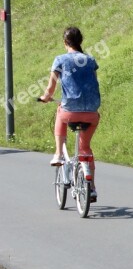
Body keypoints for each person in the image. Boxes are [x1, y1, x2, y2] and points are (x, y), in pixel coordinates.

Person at [39, 27, 101, 201]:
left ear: (65, 42)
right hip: (91, 112)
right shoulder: (90, 60)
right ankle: (92, 187)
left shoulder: (60, 60)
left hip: (70, 112)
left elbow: (51, 87)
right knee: (86, 150)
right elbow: (93, 82)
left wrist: (45, 97)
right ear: (80, 41)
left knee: (61, 112)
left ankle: (58, 153)